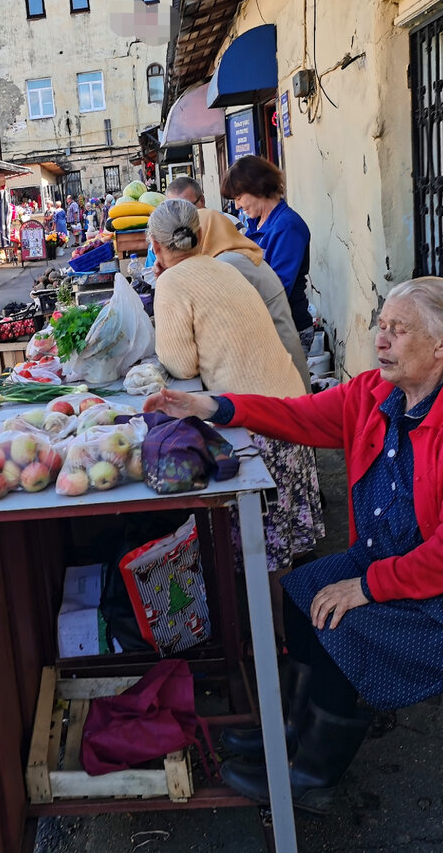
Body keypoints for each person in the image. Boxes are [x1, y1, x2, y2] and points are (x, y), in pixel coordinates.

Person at [144, 276, 443, 814]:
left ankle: (315, 773)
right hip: (404, 564)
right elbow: (300, 416)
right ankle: (298, 731)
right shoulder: (378, 393)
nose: (381, 340)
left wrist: (367, 587)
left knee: (342, 618)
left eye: (399, 330)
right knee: (304, 593)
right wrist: (213, 407)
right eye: (381, 326)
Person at [148, 198, 324, 599]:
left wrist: (165, 286)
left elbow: (181, 363)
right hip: (293, 412)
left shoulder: (173, 283)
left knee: (266, 548)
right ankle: (288, 624)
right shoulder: (222, 265)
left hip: (257, 422)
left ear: (156, 246)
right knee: (284, 546)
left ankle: (276, 640)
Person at [164, 181, 309, 387]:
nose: (238, 205)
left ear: (201, 236)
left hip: (275, 365)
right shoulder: (234, 256)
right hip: (277, 361)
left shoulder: (228, 264)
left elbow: (185, 359)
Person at [221, 156, 315, 352]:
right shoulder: (256, 224)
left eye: (239, 198)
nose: (237, 206)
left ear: (257, 187)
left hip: (286, 329)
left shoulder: (287, 226)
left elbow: (277, 288)